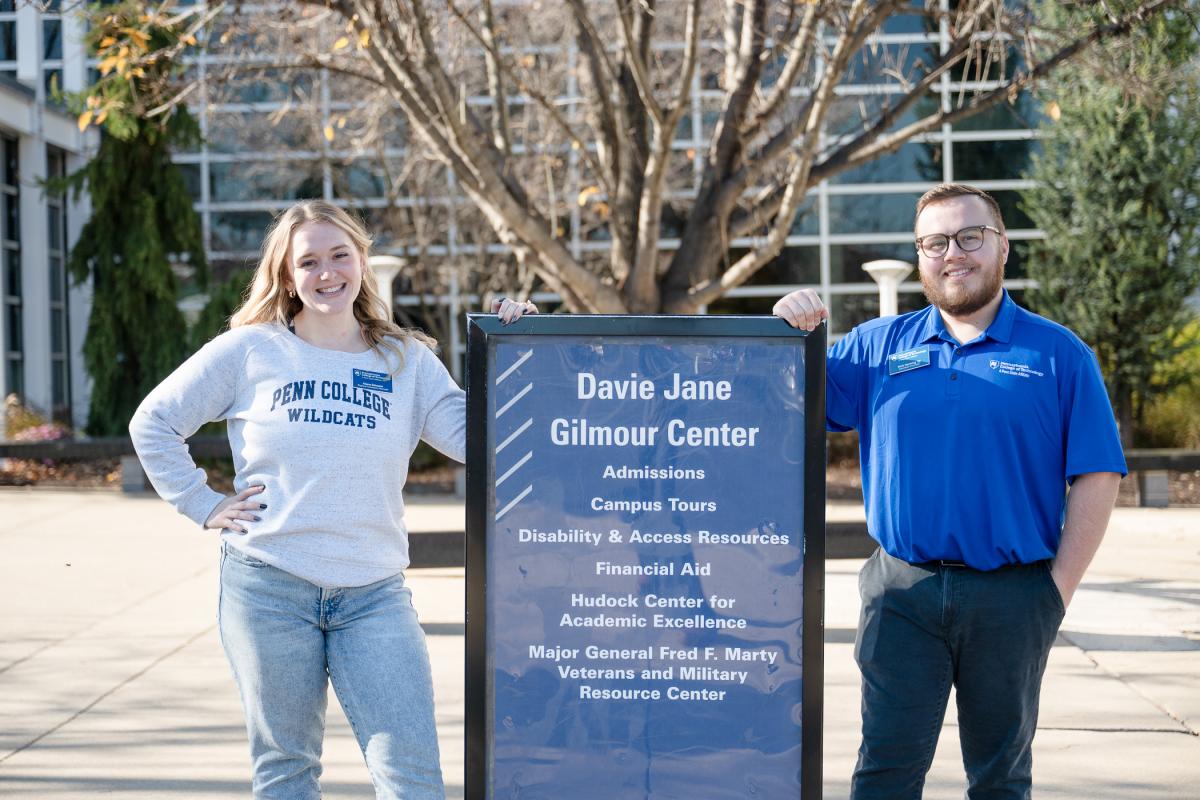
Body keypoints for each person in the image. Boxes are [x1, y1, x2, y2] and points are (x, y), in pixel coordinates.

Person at [129, 199, 534, 799]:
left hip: (374, 596)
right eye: (309, 261)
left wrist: (514, 347)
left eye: (339, 255)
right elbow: (154, 421)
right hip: (269, 588)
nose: (327, 273)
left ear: (362, 261)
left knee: (413, 777)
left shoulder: (406, 361)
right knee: (287, 772)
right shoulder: (250, 351)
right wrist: (201, 502)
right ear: (287, 276)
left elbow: (485, 439)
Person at [773, 183, 1126, 799]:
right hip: (901, 593)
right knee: (884, 772)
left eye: (970, 237)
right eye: (935, 242)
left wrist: (1054, 591)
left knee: (1000, 778)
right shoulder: (875, 349)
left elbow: (1098, 473)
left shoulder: (1060, 356)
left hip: (1014, 596)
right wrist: (788, 328)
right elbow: (778, 400)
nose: (953, 253)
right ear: (920, 256)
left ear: (1002, 246)